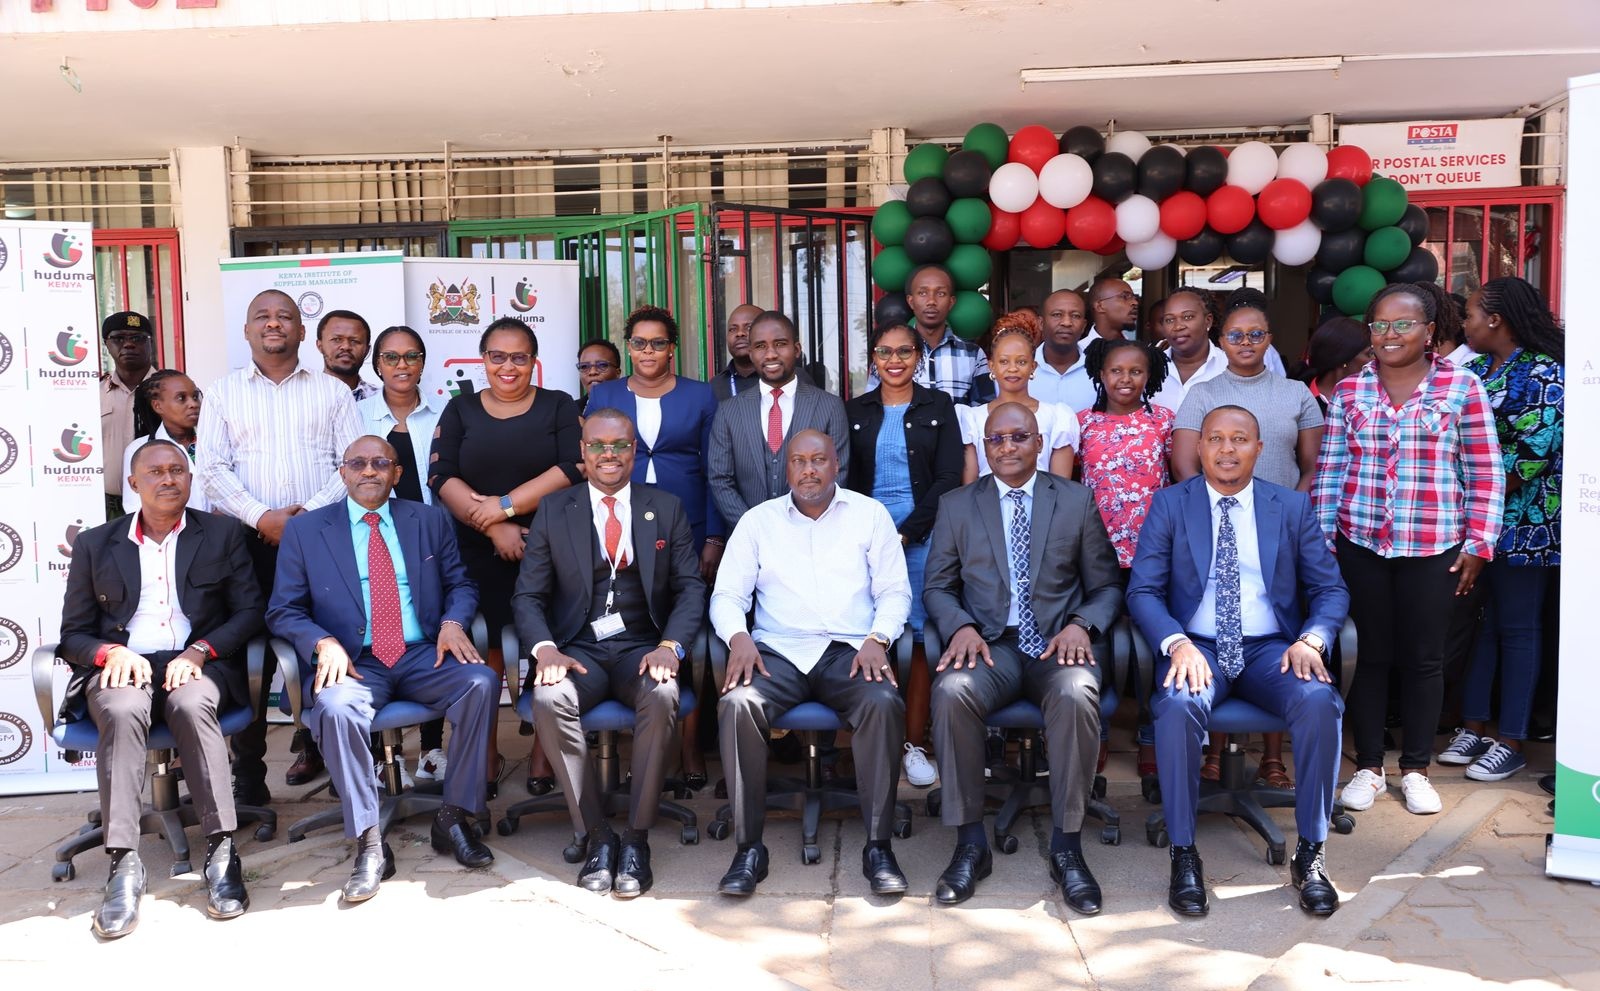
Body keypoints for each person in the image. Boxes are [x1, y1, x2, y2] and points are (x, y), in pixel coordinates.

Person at [1127, 405, 1350, 918]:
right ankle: (1184, 854)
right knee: (1178, 705)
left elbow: (1330, 589)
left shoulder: (1290, 507)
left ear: (1259, 448)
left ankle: (1311, 854)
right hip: (1198, 646)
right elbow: (1143, 591)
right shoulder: (1171, 503)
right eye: (1216, 439)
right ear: (1199, 447)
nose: (1227, 450)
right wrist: (1176, 643)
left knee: (1320, 702)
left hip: (1271, 649)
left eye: (1239, 439)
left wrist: (1312, 640)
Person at [267, 435, 497, 903]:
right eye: (357, 463)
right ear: (342, 473)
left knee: (481, 683)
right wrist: (322, 642)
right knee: (335, 707)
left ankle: (453, 816)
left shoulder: (428, 520)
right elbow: (283, 609)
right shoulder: (306, 530)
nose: (369, 471)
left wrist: (453, 622)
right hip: (353, 662)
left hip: (421, 653)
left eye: (380, 463)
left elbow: (461, 584)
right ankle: (369, 841)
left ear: (397, 473)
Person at [923, 402, 1123, 914]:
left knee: (1077, 693)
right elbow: (938, 587)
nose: (1007, 447)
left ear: (1039, 442)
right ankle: (970, 844)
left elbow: (1106, 586)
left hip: (1059, 644)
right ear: (984, 446)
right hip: (991, 646)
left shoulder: (1075, 500)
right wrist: (961, 627)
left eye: (1018, 437)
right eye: (996, 439)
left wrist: (1081, 624)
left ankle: (1068, 848)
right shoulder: (958, 505)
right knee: (951, 691)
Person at [59, 439, 263, 938]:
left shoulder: (222, 534)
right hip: (124, 666)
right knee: (123, 710)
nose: (168, 479)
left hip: (195, 662)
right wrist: (110, 653)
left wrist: (201, 651)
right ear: (133, 484)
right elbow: (73, 635)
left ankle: (222, 851)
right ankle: (123, 864)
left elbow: (250, 611)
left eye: (177, 470)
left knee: (193, 707)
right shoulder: (96, 544)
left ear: (190, 479)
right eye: (155, 472)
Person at [1316, 282, 1504, 817]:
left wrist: (1479, 543)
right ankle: (1370, 767)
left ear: (1429, 331)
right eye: (1380, 325)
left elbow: (1485, 470)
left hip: (1434, 544)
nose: (1390, 334)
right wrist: (1324, 542)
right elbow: (1331, 469)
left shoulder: (1462, 387)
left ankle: (1417, 768)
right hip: (1360, 543)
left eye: (1403, 324)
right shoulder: (1350, 391)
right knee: (1368, 656)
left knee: (1425, 659)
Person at [512, 409, 706, 898]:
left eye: (619, 445)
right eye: (597, 445)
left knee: (662, 694)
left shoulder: (666, 506)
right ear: (583, 452)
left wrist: (670, 647)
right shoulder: (555, 509)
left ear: (634, 451)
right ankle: (596, 833)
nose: (609, 454)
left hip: (643, 648)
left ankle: (636, 838)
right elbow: (528, 596)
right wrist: (546, 650)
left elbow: (690, 588)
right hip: (577, 651)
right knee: (550, 698)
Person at [710, 430, 911, 898]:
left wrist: (879, 638)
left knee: (883, 702)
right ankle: (748, 849)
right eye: (798, 461)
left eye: (818, 460)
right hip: (778, 653)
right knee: (738, 704)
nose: (808, 470)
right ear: (787, 470)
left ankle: (878, 847)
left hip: (850, 651)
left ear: (836, 465)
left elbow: (894, 592)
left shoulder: (870, 515)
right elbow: (727, 595)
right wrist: (738, 637)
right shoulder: (758, 522)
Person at [197, 289, 363, 804]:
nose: (273, 324)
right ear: (246, 330)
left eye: (284, 316)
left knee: (327, 645)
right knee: (248, 655)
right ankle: (248, 775)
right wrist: (262, 518)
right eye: (262, 317)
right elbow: (211, 469)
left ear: (301, 331)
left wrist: (304, 520)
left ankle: (333, 758)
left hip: (321, 543)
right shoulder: (222, 393)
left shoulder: (332, 392)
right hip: (244, 546)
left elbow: (353, 464)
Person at [431, 316, 583, 798]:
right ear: (484, 360)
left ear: (534, 361)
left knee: (548, 642)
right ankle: (484, 753)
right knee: (486, 650)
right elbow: (441, 477)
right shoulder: (459, 410)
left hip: (550, 545)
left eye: (519, 357)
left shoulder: (559, 405)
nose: (508, 367)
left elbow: (573, 467)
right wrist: (494, 525)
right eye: (498, 357)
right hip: (476, 549)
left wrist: (506, 507)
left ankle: (543, 752)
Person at [586, 306, 723, 787]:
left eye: (658, 343)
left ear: (672, 348)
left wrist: (713, 536)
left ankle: (689, 745)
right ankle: (637, 745)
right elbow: (592, 457)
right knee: (630, 620)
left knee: (684, 624)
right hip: (618, 523)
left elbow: (714, 468)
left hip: (684, 524)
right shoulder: (604, 394)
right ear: (629, 347)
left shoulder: (700, 395)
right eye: (640, 343)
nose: (648, 351)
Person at [1445, 277, 1564, 783]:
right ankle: (1473, 726)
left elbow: (1535, 453)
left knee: (1517, 626)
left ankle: (1511, 739)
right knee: (1481, 624)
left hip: (1524, 522)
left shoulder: (1545, 373)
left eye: (1470, 315)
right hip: (1474, 521)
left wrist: (1482, 497)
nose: (1464, 324)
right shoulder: (1472, 371)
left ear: (1495, 320)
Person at [845, 323, 964, 788]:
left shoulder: (939, 406)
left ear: (918, 357)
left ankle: (913, 743)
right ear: (873, 358)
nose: (894, 360)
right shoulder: (854, 409)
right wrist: (872, 536)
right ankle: (873, 740)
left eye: (904, 352)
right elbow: (846, 481)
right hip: (862, 538)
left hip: (923, 536)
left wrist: (907, 532)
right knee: (865, 633)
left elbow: (949, 477)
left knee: (915, 641)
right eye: (884, 352)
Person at [1076, 339, 1174, 782]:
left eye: (1136, 371)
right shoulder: (1082, 423)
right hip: (1094, 554)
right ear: (1101, 373)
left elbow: (1178, 484)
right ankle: (1095, 730)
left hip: (1152, 553)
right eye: (1116, 370)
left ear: (1149, 376)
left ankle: (1151, 733)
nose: (1125, 379)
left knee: (1152, 645)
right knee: (1095, 642)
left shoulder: (1164, 422)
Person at [357, 325, 446, 781]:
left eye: (411, 356)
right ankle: (379, 755)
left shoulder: (444, 413)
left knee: (427, 633)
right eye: (390, 357)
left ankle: (432, 749)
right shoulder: (356, 415)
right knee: (377, 635)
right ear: (377, 365)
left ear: (423, 362)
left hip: (428, 537)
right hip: (373, 536)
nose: (401, 365)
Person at [707, 311, 848, 532]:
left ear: (797, 349)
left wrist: (801, 527)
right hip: (749, 539)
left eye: (780, 344)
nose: (771, 354)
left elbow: (839, 473)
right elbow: (720, 479)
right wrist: (755, 530)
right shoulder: (728, 411)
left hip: (813, 534)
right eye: (760, 346)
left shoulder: (830, 406)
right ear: (751, 353)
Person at [1174, 290, 1323, 493]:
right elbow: (1183, 467)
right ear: (1222, 342)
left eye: (1256, 334)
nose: (1245, 342)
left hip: (1283, 510)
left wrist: (1293, 506)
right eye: (1235, 335)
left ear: (1269, 339)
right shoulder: (1200, 394)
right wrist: (1219, 506)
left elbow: (1314, 467)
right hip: (1216, 509)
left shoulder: (1298, 393)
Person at [956, 311, 1078, 483]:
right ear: (992, 366)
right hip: (986, 500)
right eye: (1004, 361)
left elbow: (1060, 487)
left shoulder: (1057, 417)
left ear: (1033, 367)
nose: (1012, 369)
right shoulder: (972, 418)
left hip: (1043, 500)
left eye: (1021, 362)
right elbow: (970, 488)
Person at [892, 265, 989, 405]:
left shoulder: (973, 355)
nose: (931, 301)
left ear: (951, 302)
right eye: (922, 293)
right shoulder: (890, 355)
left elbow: (984, 410)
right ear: (911, 301)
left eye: (941, 293)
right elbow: (873, 408)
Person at [121, 369, 207, 513]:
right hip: (174, 527)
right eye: (181, 398)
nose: (193, 404)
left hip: (222, 525)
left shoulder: (216, 441)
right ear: (158, 406)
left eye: (195, 396)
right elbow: (135, 506)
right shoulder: (139, 449)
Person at [100, 310, 157, 520]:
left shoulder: (173, 391)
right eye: (118, 338)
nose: (129, 344)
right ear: (107, 344)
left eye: (137, 338)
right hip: (106, 508)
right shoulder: (93, 394)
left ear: (151, 343)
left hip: (158, 507)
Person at [1030, 289, 1098, 412]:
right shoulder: (1018, 371)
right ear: (1041, 323)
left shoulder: (1100, 370)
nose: (1066, 323)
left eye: (1075, 316)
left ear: (1083, 326)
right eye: (1057, 315)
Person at [1301, 316, 1372, 415]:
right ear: (1344, 358)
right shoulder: (1299, 401)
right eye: (1370, 354)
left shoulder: (1376, 397)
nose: (1375, 360)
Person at [317, 309, 380, 400]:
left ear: (367, 350)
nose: (346, 346)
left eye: (354, 341)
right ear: (320, 346)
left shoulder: (382, 399)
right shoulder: (303, 394)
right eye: (337, 339)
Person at [712, 303, 764, 402]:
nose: (740, 333)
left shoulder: (787, 378)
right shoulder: (715, 386)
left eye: (748, 327)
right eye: (733, 329)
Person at [1087, 276, 1141, 344]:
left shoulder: (1136, 349)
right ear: (1100, 306)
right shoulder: (1079, 350)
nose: (1135, 302)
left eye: (1134, 298)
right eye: (1125, 297)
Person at [576, 340, 623, 408]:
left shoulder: (632, 406)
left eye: (602, 365)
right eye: (584, 366)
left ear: (617, 373)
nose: (592, 372)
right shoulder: (571, 409)